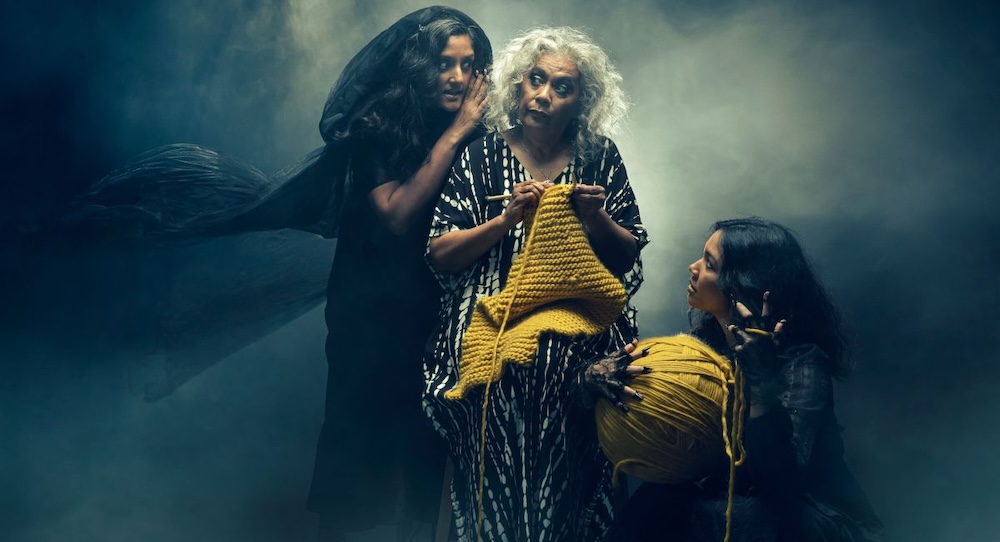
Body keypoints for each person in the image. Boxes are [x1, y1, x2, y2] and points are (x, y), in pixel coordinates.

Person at [69, 6, 493, 541]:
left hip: (433, 307)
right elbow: (396, 213)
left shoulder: (479, 136)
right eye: (444, 65)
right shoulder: (376, 129)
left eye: (468, 65)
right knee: (356, 436)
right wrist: (454, 135)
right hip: (368, 310)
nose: (457, 78)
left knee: (423, 439)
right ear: (417, 68)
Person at [424, 27, 647, 541]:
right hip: (488, 318)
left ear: (581, 103)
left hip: (579, 324)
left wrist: (597, 220)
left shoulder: (600, 155)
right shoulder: (481, 156)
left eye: (561, 88)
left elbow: (625, 255)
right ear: (517, 86)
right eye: (535, 80)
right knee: (511, 367)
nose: (543, 95)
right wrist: (504, 222)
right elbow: (439, 251)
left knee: (565, 363)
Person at [588, 218, 884, 541]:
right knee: (654, 502)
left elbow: (778, 483)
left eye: (709, 264)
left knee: (733, 516)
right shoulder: (708, 347)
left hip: (810, 520)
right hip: (740, 508)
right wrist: (605, 377)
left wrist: (762, 383)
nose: (693, 267)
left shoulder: (802, 362)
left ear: (741, 286)